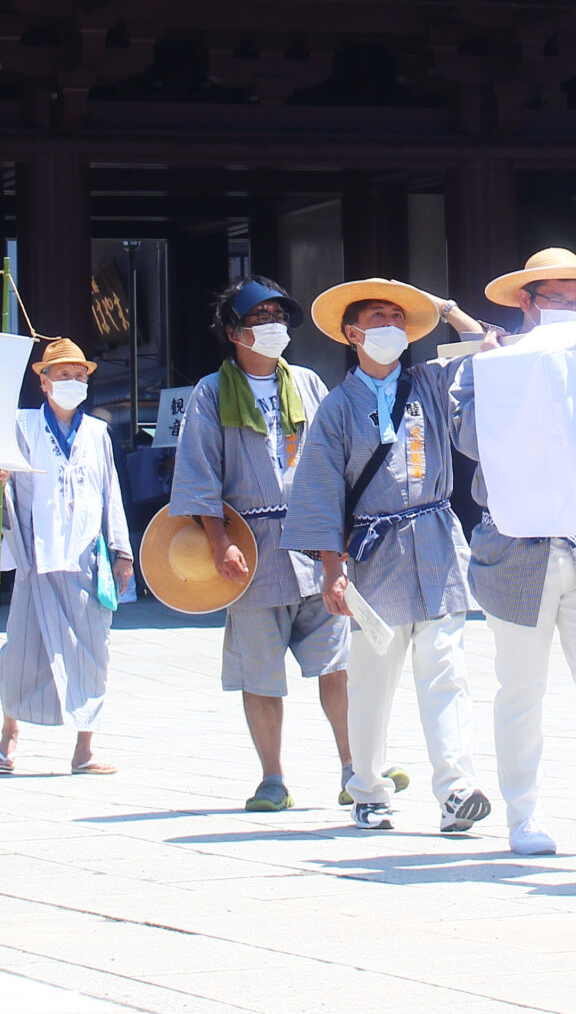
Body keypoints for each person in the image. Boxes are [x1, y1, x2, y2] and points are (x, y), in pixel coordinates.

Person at [451, 249, 576, 857]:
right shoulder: (489, 361)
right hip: (516, 542)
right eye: (557, 298)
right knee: (520, 686)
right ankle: (524, 815)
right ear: (527, 302)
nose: (569, 309)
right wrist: (490, 379)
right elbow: (466, 441)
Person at [281, 277, 495, 835]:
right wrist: (332, 570)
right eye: (378, 318)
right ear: (353, 334)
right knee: (373, 678)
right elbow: (321, 489)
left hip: (437, 539)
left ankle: (456, 789)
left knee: (446, 669)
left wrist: (446, 307)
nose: (391, 328)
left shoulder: (428, 381)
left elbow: (487, 350)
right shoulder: (335, 407)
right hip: (373, 555)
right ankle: (368, 787)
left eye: (399, 319)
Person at [168, 277, 352, 810]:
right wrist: (219, 539)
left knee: (336, 661)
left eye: (279, 318)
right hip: (252, 546)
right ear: (233, 332)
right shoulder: (210, 392)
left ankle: (353, 766)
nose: (273, 327)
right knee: (261, 671)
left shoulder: (310, 384)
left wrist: (336, 548)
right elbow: (199, 473)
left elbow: (335, 463)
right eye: (259, 319)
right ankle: (272, 777)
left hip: (313, 541)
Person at [0, 340, 136, 775]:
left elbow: (110, 495)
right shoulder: (22, 425)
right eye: (63, 375)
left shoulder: (98, 433)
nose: (72, 382)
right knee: (22, 653)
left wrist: (122, 551)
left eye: (79, 375)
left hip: (86, 557)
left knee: (93, 652)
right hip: (38, 557)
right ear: (44, 381)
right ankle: (8, 737)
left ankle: (84, 748)